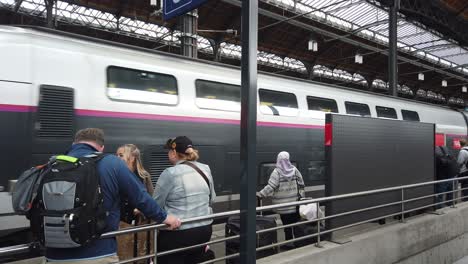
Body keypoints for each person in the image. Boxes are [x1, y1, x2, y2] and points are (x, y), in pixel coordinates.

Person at [45, 128, 181, 263]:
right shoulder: (110, 163)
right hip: (97, 253)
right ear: (101, 147)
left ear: (74, 143)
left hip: (53, 255)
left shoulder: (52, 164)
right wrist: (164, 217)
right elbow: (141, 197)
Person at [154, 136, 216, 264]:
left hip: (178, 234)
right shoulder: (205, 168)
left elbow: (156, 205)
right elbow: (212, 199)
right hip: (204, 230)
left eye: (169, 151)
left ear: (174, 152)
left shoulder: (170, 173)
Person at [257, 151, 305, 249]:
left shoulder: (277, 172)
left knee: (287, 226)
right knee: (295, 224)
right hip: (295, 205)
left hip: (283, 207)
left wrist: (260, 194)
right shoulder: (295, 170)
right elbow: (301, 184)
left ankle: (289, 243)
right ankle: (297, 242)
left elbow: (271, 186)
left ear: (278, 160)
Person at [116, 144, 154, 262]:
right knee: (125, 256)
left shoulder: (144, 176)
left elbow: (151, 198)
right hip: (123, 225)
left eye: (120, 155)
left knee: (142, 256)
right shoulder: (116, 175)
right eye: (116, 155)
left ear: (132, 158)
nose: (117, 157)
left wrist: (142, 209)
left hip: (142, 225)